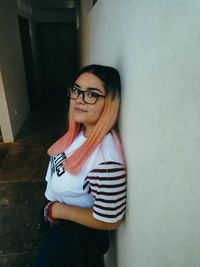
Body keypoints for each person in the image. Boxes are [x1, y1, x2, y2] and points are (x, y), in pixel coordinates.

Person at [31, 64, 127, 267]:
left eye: (92, 94)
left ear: (109, 102)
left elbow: (111, 219)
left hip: (75, 236)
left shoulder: (106, 162)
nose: (79, 99)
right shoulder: (82, 132)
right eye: (77, 90)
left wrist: (55, 210)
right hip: (61, 222)